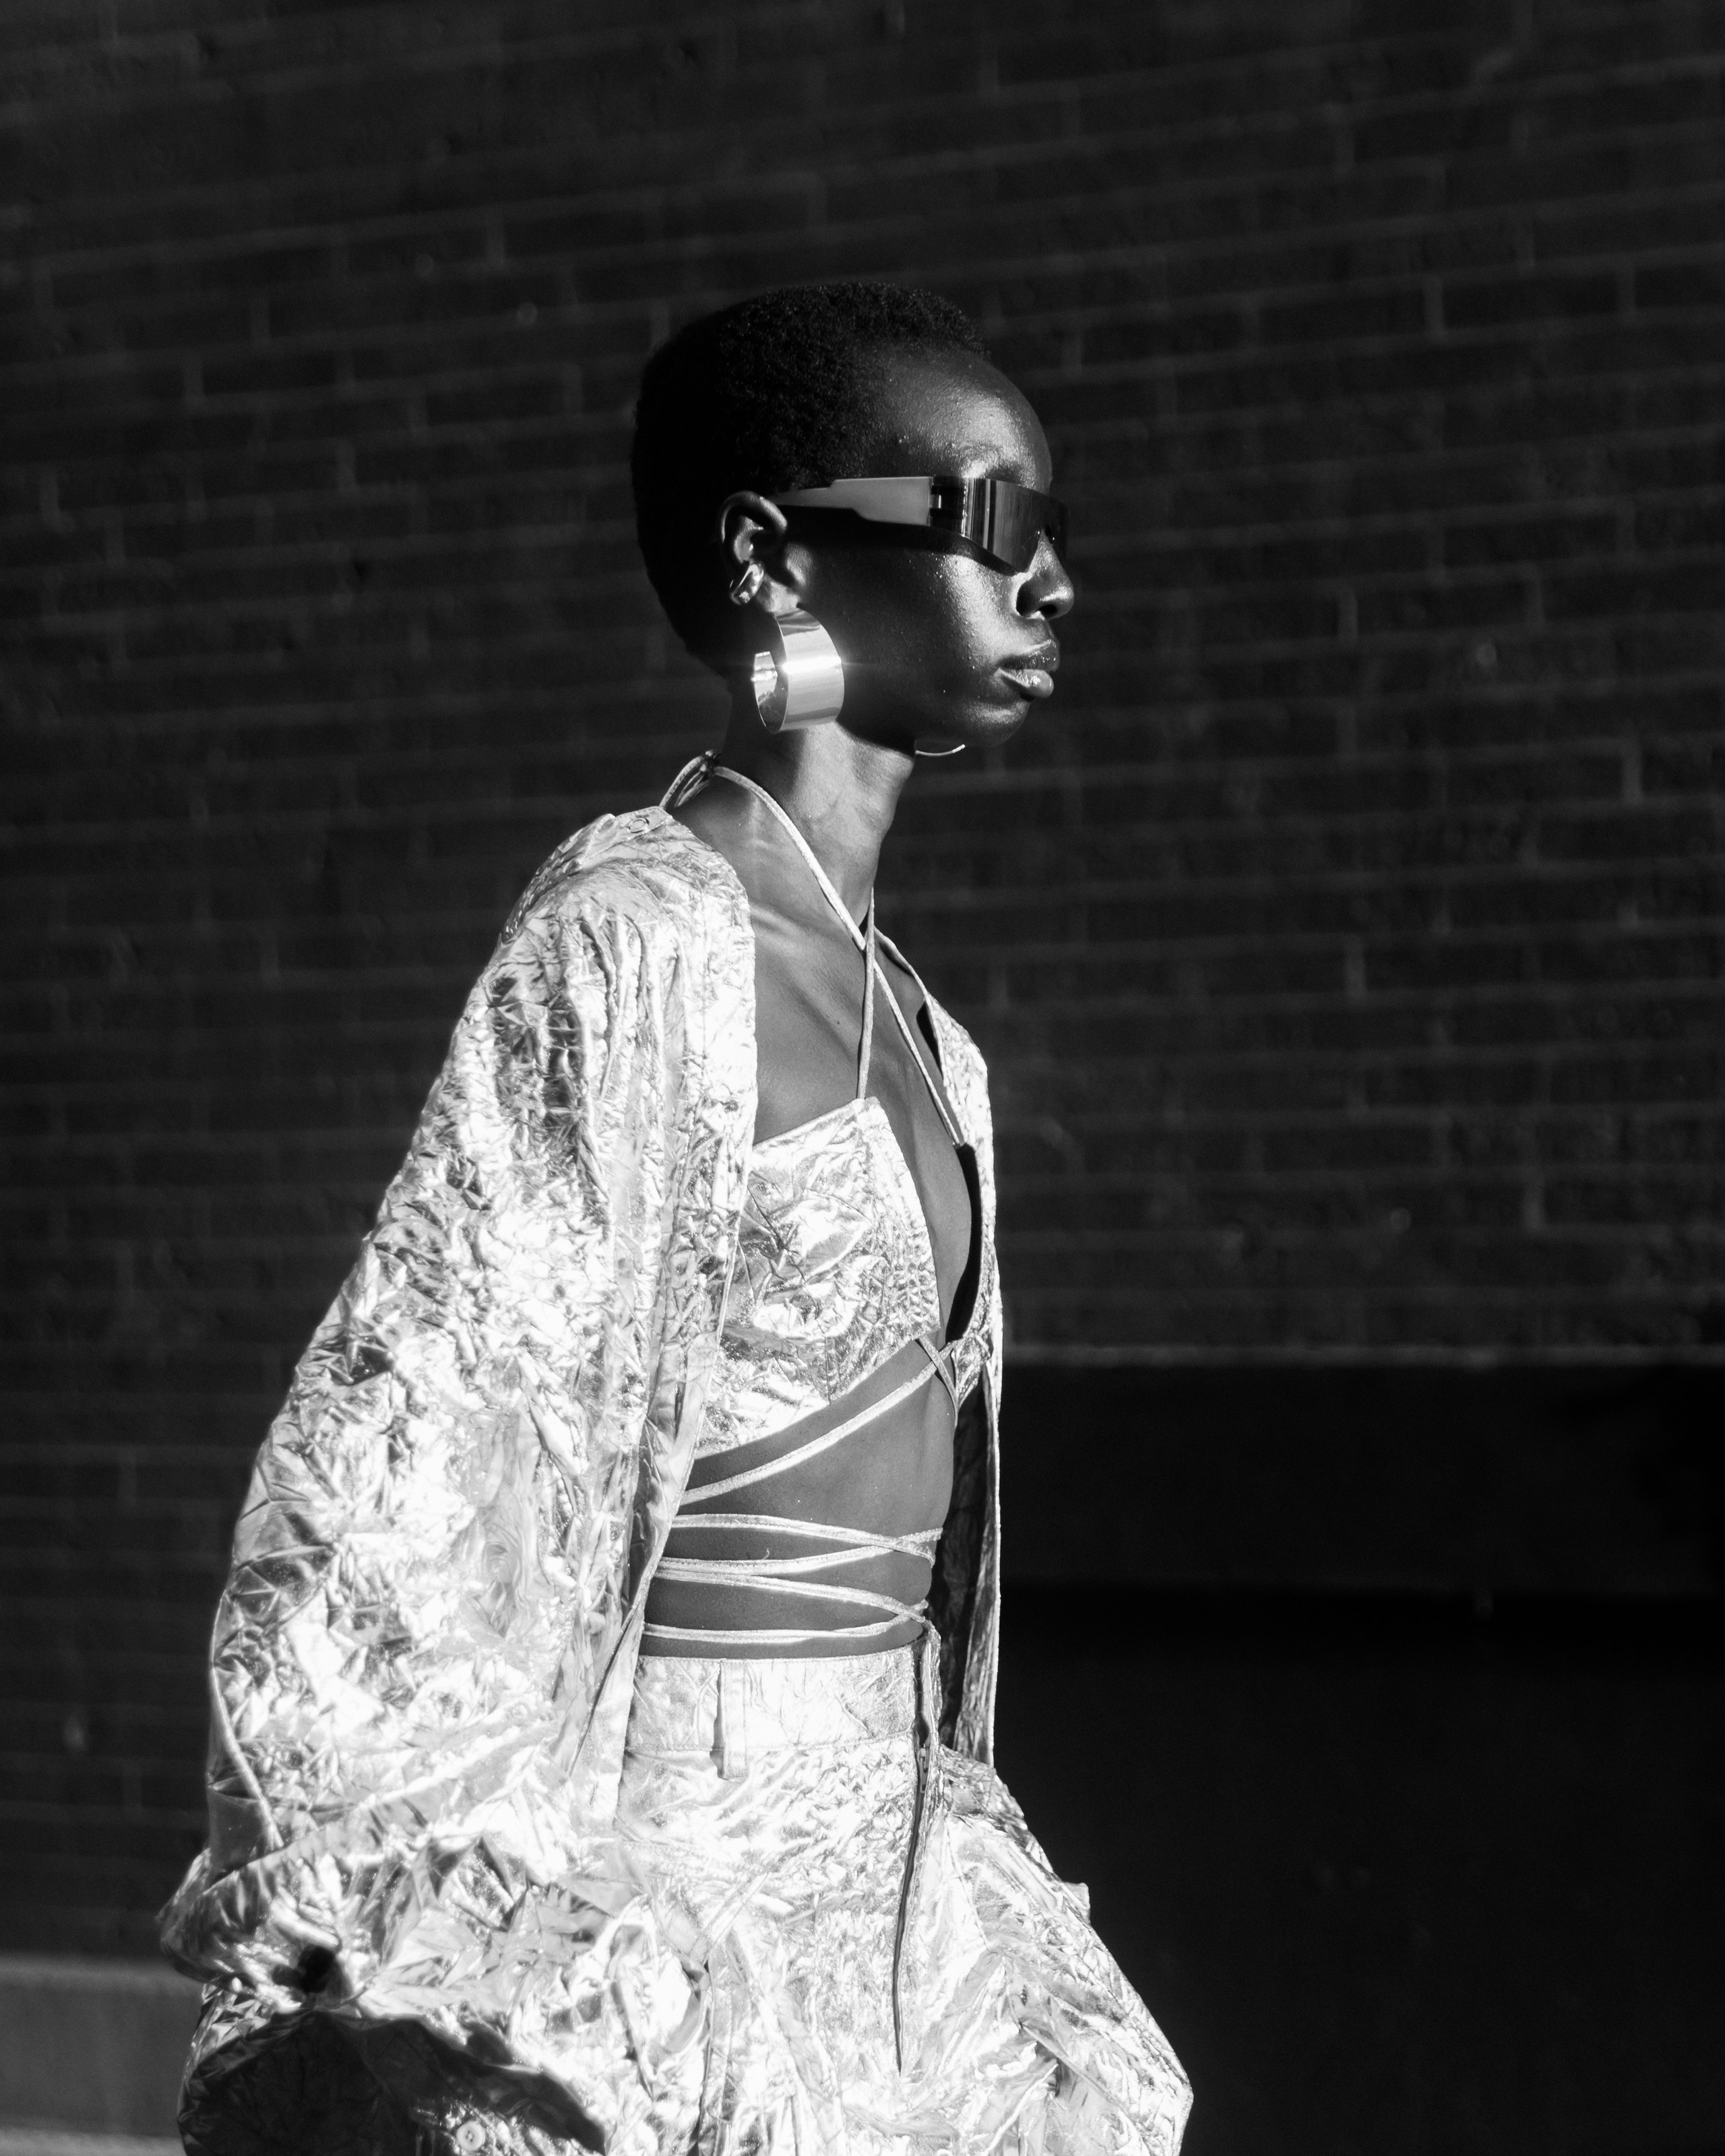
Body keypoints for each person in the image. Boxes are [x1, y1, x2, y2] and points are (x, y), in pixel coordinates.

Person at [161, 283, 1192, 2156]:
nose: (1051, 584)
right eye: (992, 519)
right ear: (767, 554)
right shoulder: (632, 950)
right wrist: (534, 1948)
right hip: (675, 1924)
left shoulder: (930, 1040)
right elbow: (388, 1486)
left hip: (905, 1913)